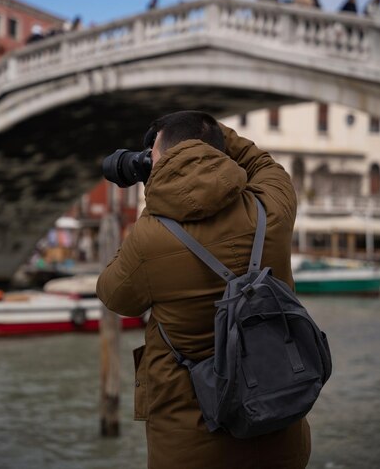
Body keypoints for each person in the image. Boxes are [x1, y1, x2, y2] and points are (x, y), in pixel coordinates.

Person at [97, 111, 311, 469]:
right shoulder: (272, 204)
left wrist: (156, 201)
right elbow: (260, 160)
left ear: (159, 157)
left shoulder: (151, 235)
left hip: (190, 444)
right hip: (281, 436)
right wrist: (209, 130)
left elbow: (113, 294)